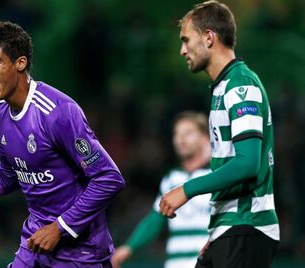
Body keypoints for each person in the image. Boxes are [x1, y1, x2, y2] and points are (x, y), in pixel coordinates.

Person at [0, 21, 125, 268]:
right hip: (34, 244)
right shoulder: (1, 113)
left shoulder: (58, 112)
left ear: (20, 63)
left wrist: (60, 228)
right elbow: (8, 175)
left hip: (80, 253)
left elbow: (109, 178)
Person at [159, 1, 279, 268]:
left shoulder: (241, 85)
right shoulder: (223, 87)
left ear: (209, 37)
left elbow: (248, 163)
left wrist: (187, 190)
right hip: (230, 229)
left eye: (186, 40)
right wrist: (218, 230)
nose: (182, 50)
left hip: (247, 226)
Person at [112, 111, 211, 268]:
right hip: (174, 263)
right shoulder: (171, 179)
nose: (181, 139)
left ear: (205, 138)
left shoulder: (216, 177)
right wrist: (129, 247)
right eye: (176, 134)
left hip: (206, 263)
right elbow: (156, 219)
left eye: (188, 133)